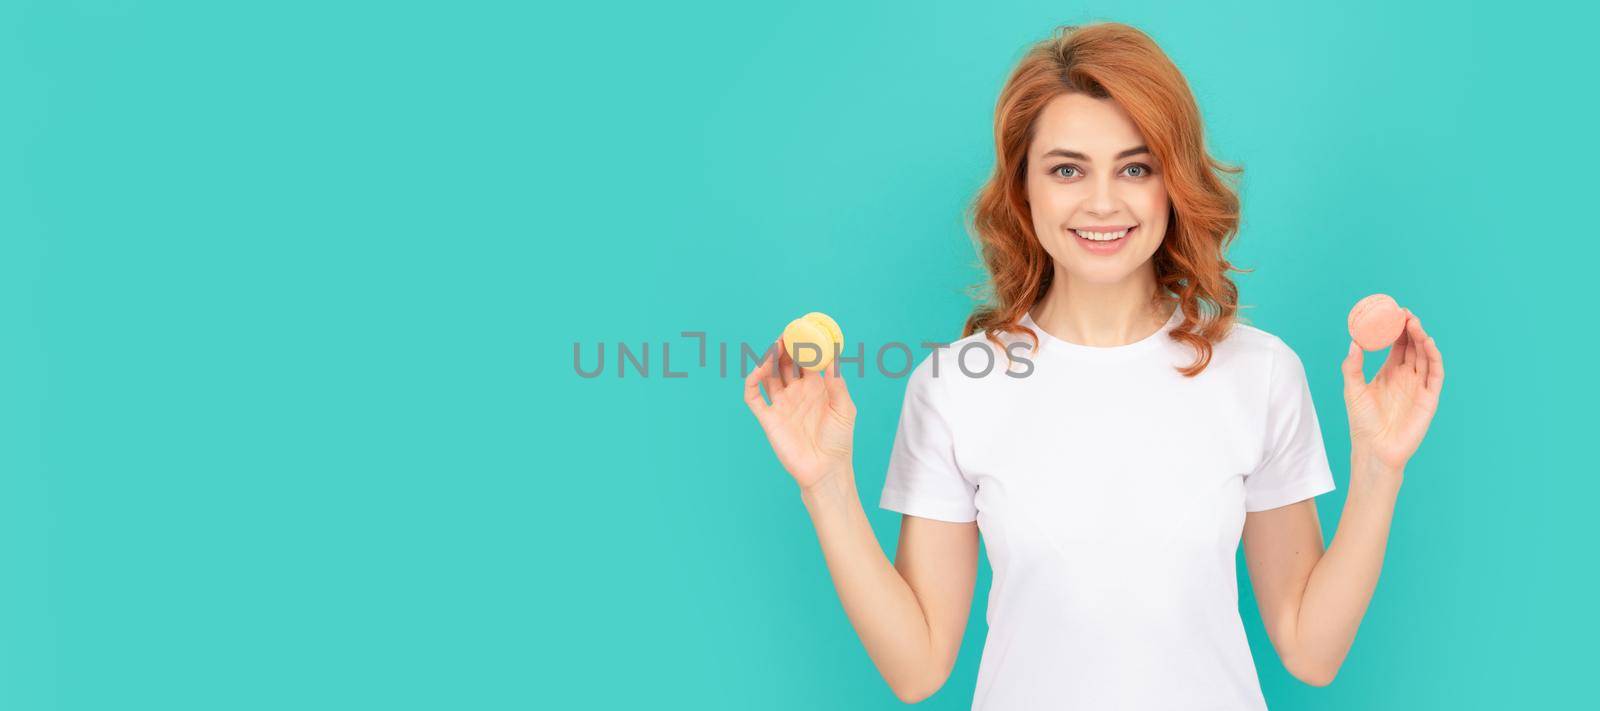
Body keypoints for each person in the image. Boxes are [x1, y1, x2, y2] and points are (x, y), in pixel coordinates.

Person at [742, 21, 1444, 710]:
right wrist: (827, 485)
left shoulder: (1259, 373)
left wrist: (1380, 468)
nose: (1103, 202)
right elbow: (918, 668)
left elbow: (1311, 652)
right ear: (1024, 190)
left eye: (1135, 167)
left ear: (1174, 184)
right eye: (1067, 169)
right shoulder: (955, 385)